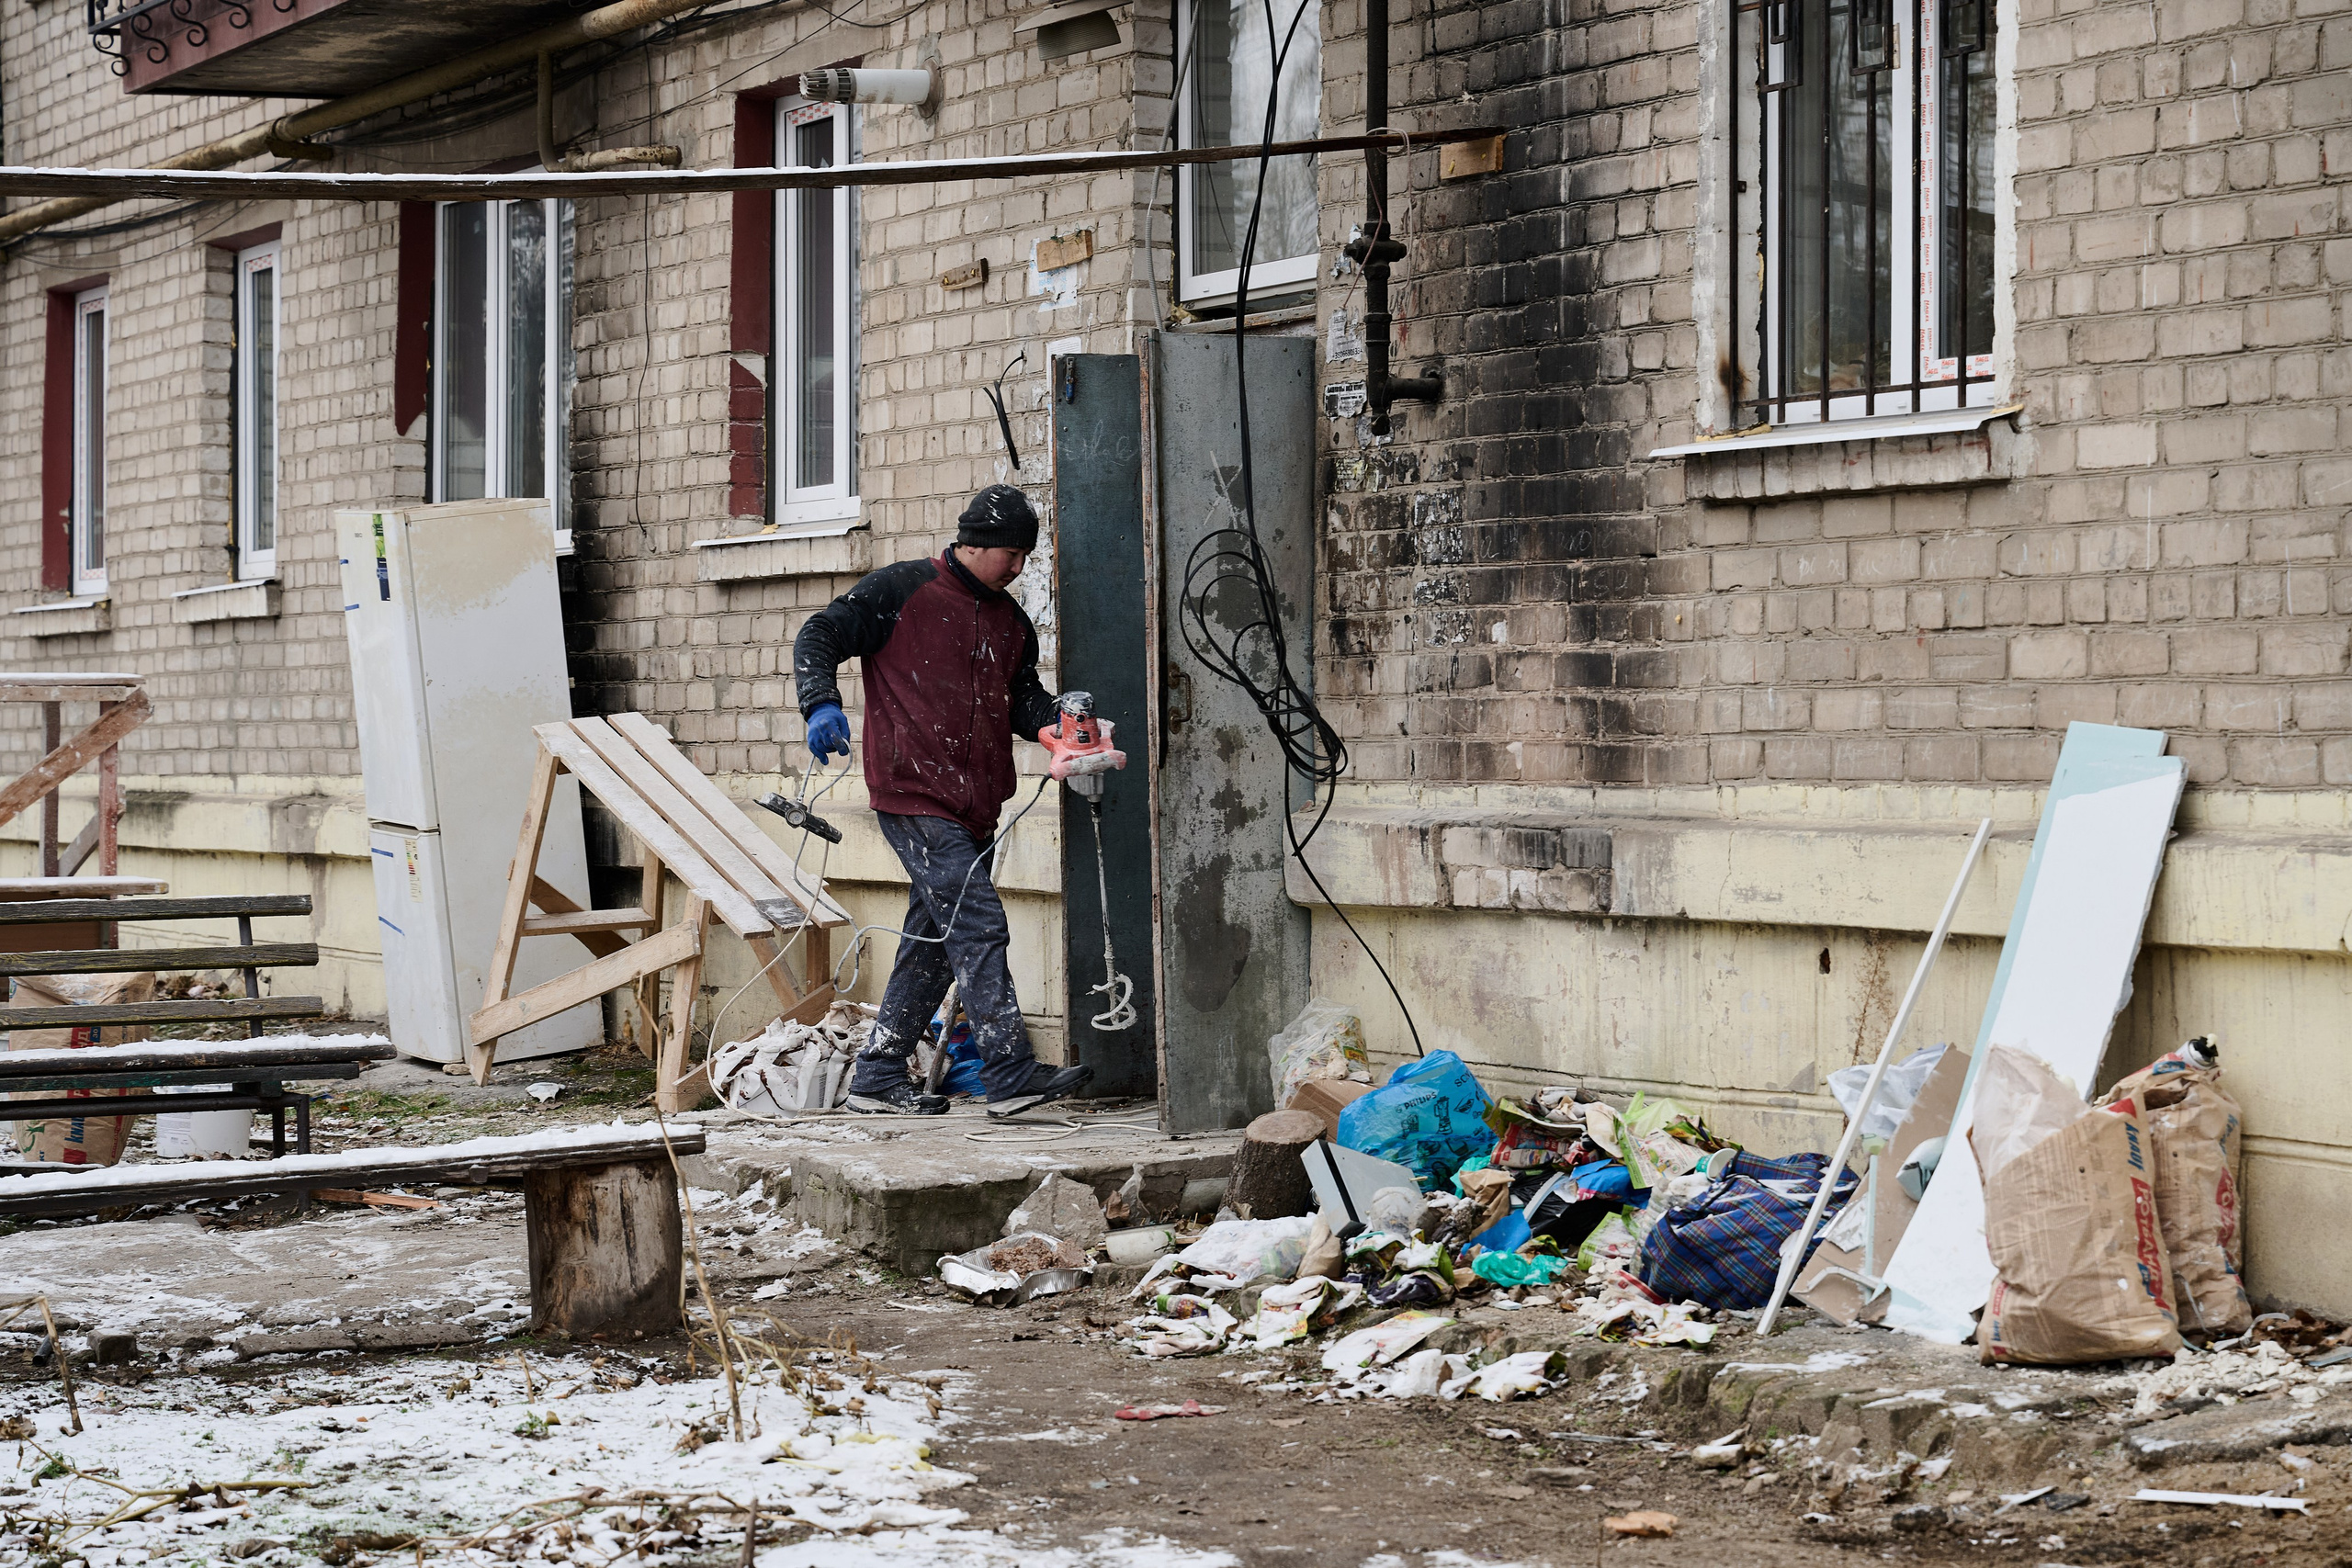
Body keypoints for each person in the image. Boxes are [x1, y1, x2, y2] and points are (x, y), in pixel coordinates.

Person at [791, 483, 1095, 1117]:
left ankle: (876, 1075)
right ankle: (1009, 1071)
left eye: (1026, 557)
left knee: (932, 942)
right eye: (1011, 553)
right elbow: (819, 634)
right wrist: (819, 700)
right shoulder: (901, 591)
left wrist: (1054, 723)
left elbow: (1024, 700)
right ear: (974, 543)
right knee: (979, 919)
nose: (1018, 567)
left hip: (977, 806)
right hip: (913, 792)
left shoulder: (1012, 624)